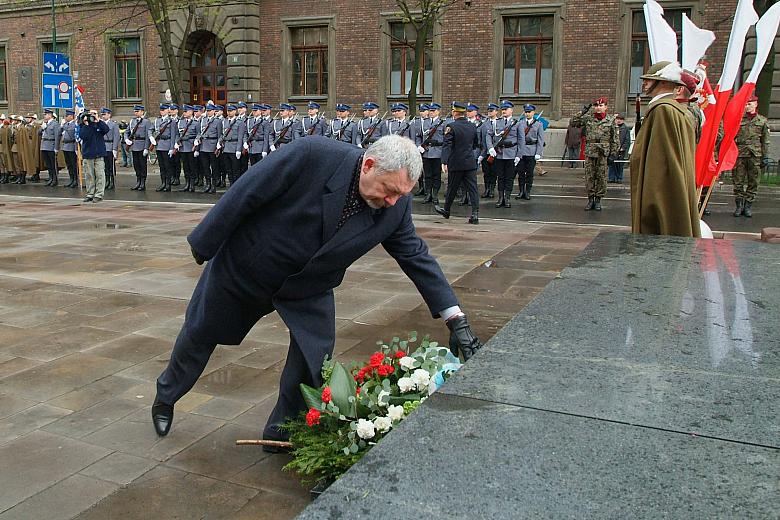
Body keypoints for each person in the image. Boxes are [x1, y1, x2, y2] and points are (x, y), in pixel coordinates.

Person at [151, 135, 483, 445]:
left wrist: (456, 319)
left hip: (311, 284)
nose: (393, 201)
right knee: (200, 332)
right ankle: (166, 396)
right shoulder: (312, 155)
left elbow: (415, 255)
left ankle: (282, 430)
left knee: (314, 357)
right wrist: (204, 243)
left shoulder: (394, 207)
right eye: (388, 189)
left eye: (401, 195)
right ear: (368, 165)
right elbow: (247, 191)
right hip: (249, 266)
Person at [630, 60, 700, 237]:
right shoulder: (676, 109)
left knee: (659, 233)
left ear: (664, 82)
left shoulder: (663, 111)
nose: (644, 82)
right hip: (672, 186)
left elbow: (660, 163)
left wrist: (651, 203)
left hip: (660, 192)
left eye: (650, 79)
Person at [434, 102, 481, 224]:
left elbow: (447, 146)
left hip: (456, 162)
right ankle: (475, 213)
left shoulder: (451, 126)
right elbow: (476, 143)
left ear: (455, 113)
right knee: (472, 188)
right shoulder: (472, 126)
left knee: (452, 188)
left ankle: (447, 210)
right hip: (470, 161)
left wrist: (444, 161)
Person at [572, 96, 619, 211]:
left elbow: (615, 138)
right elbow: (573, 122)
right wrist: (583, 111)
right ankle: (590, 199)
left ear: (606, 107)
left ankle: (598, 200)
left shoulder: (611, 120)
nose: (598, 108)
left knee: (601, 177)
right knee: (589, 177)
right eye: (596, 106)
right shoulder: (588, 118)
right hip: (590, 151)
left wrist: (613, 154)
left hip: (603, 152)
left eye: (601, 105)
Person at [731, 95, 770, 218]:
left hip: (755, 155)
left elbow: (765, 140)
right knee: (738, 182)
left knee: (753, 182)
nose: (748, 106)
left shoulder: (762, 121)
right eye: (746, 104)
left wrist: (765, 156)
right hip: (740, 154)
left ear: (756, 104)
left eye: (750, 104)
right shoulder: (739, 120)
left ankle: (748, 206)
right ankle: (739, 206)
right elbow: (731, 138)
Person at [487, 100, 520, 208]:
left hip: (511, 154)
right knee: (500, 177)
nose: (504, 111)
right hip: (499, 154)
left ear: (511, 110)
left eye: (506, 109)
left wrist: (519, 155)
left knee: (509, 177)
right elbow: (489, 135)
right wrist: (491, 148)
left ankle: (507, 198)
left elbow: (521, 140)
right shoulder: (497, 122)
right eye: (503, 109)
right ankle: (500, 197)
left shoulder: (517, 123)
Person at [79, 110, 111, 203]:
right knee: (89, 175)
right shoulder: (83, 126)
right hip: (88, 154)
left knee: (100, 175)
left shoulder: (98, 124)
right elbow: (83, 136)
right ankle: (90, 193)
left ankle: (99, 194)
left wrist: (98, 120)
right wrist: (86, 124)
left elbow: (106, 130)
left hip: (99, 154)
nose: (91, 117)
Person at [514, 104, 545, 200]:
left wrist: (538, 153)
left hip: (532, 151)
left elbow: (540, 140)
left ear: (533, 113)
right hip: (521, 151)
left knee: (530, 173)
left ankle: (527, 191)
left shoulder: (538, 124)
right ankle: (521, 191)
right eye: (526, 112)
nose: (527, 114)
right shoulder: (520, 123)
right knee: (521, 173)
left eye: (529, 112)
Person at [417, 102, 445, 204]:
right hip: (426, 152)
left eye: (433, 111)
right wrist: (419, 146)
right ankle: (428, 193)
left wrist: (439, 143)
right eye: (430, 110)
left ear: (438, 111)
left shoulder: (443, 123)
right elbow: (418, 135)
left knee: (436, 175)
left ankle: (435, 194)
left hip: (437, 152)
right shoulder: (425, 122)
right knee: (427, 175)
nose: (431, 112)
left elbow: (446, 139)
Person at [126, 105, 153, 191]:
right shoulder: (132, 121)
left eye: (137, 111)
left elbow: (147, 135)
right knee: (136, 164)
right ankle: (138, 181)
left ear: (142, 112)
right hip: (134, 145)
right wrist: (126, 139)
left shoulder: (146, 122)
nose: (136, 113)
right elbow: (127, 132)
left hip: (142, 145)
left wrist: (146, 148)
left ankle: (143, 182)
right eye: (135, 111)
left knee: (142, 165)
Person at [175, 104, 198, 192]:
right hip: (183, 147)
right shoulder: (181, 122)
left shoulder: (196, 123)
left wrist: (196, 147)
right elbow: (177, 134)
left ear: (191, 112)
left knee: (192, 166)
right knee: (185, 166)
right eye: (183, 111)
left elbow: (198, 134)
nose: (184, 113)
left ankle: (192, 184)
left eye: (186, 111)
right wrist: (177, 142)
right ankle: (187, 183)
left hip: (191, 146)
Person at [39, 109, 61, 186]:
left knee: (53, 164)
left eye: (46, 114)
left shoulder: (55, 124)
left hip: (51, 145)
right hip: (44, 145)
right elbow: (38, 133)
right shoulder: (45, 123)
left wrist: (56, 148)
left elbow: (57, 136)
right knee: (48, 164)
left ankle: (54, 179)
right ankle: (50, 178)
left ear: (50, 115)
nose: (44, 116)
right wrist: (42, 127)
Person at [101, 108, 120, 190]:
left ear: (109, 115)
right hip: (103, 146)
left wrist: (115, 149)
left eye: (104, 114)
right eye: (102, 114)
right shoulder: (100, 124)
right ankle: (107, 180)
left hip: (110, 146)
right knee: (104, 165)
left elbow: (116, 137)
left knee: (110, 165)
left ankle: (112, 181)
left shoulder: (113, 124)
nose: (103, 116)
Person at [608, 114, 631, 183]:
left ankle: (619, 178)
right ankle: (611, 177)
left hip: (621, 150)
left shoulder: (625, 128)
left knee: (619, 164)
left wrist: (623, 147)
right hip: (612, 149)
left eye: (620, 119)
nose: (618, 121)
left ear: (623, 120)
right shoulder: (612, 127)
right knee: (611, 164)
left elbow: (627, 139)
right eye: (617, 119)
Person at [59, 109, 79, 188]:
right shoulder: (65, 124)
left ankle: (75, 180)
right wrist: (62, 125)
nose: (65, 117)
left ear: (71, 116)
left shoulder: (74, 125)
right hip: (65, 146)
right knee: (69, 165)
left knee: (73, 164)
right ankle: (71, 179)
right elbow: (59, 132)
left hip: (71, 146)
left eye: (67, 116)